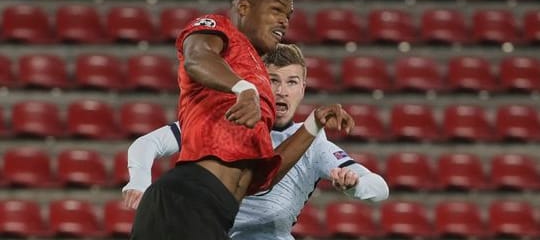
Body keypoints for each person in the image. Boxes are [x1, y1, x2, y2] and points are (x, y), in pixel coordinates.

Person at [129, 0, 354, 240]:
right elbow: (197, 58)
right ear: (244, 7)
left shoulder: (258, 76)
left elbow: (262, 179)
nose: (284, 21)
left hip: (216, 212)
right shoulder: (217, 29)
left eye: (289, 16)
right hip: (186, 200)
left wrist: (314, 123)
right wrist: (243, 89)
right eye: (276, 10)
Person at [124, 43, 389, 240]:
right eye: (273, 80)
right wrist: (139, 180)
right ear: (259, 83)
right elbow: (147, 144)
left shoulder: (314, 143)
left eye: (292, 82)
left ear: (303, 88)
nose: (282, 91)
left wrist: (354, 186)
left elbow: (379, 188)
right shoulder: (226, 121)